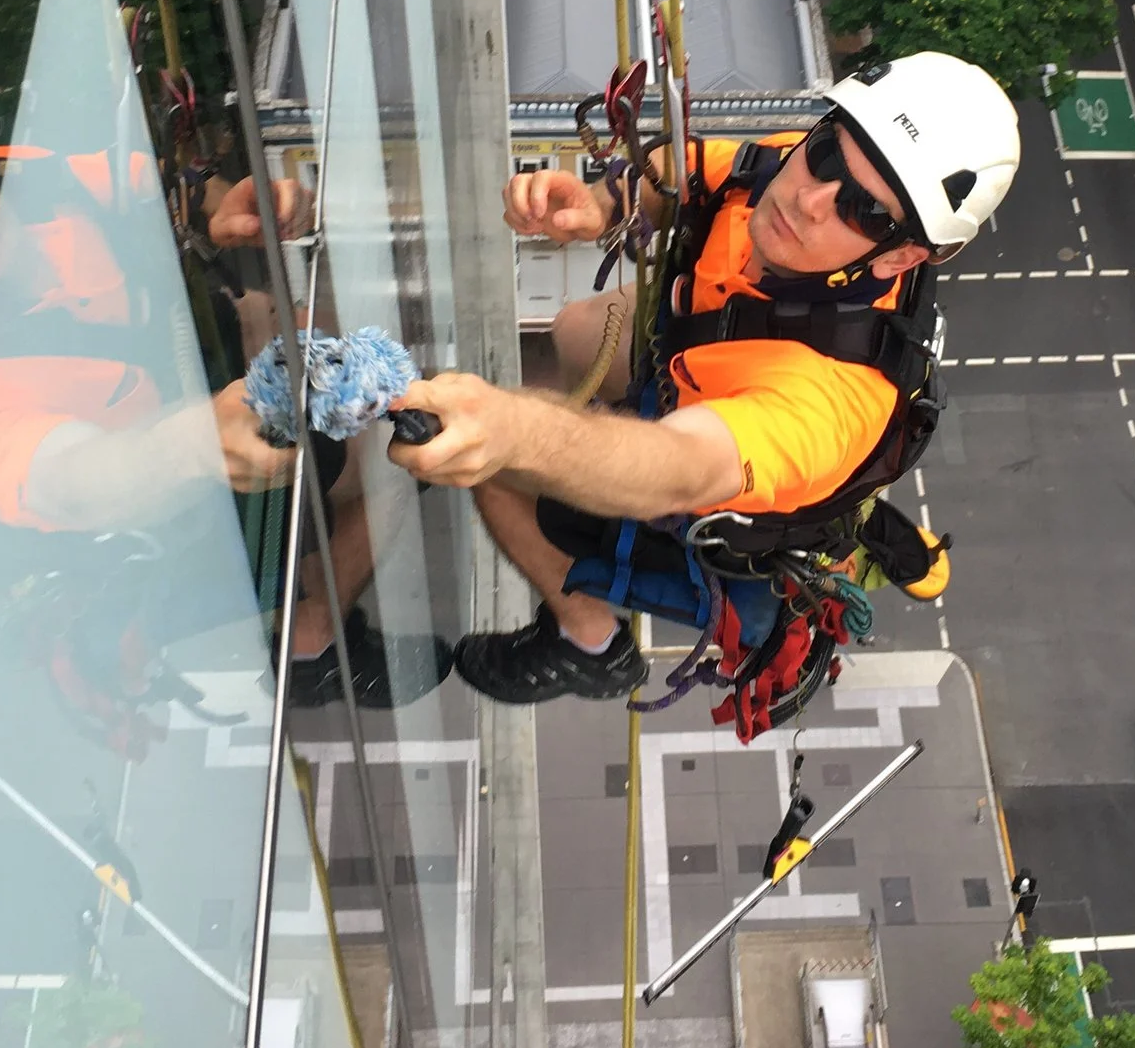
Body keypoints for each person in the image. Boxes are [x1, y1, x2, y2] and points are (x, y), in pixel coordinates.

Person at [0, 66, 435, 709]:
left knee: (320, 344)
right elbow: (75, 479)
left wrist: (221, 210)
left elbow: (152, 186)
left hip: (192, 386)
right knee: (387, 471)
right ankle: (311, 640)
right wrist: (190, 447)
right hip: (162, 509)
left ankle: (316, 571)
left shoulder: (29, 175)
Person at [360, 52, 1020, 708]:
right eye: (825, 154)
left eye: (864, 213)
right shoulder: (808, 167)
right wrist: (602, 205)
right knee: (573, 329)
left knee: (504, 471)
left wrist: (515, 430)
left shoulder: (833, 399)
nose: (809, 198)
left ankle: (586, 643)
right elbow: (704, 169)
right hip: (700, 354)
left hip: (709, 505)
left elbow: (680, 467)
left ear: (904, 253)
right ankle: (588, 431)